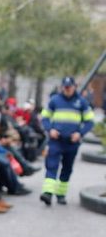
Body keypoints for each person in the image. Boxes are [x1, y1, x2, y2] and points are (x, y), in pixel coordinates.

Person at [40, 76, 95, 205]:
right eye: (65, 87)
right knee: (52, 165)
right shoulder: (54, 100)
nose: (67, 89)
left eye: (69, 87)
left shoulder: (82, 102)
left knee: (67, 168)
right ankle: (48, 193)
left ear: (74, 87)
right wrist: (50, 129)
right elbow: (45, 117)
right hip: (56, 140)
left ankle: (61, 194)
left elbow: (89, 121)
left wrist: (80, 133)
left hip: (72, 142)